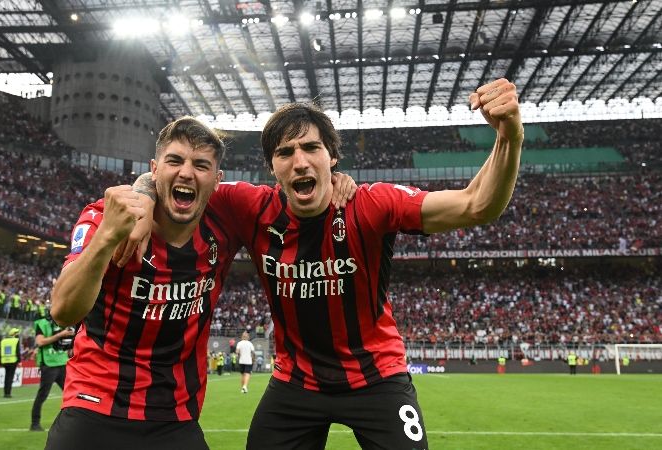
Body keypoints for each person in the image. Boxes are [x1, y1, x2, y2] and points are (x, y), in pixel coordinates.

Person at [129, 79, 523, 449]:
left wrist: (510, 135)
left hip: (377, 377)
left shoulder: (371, 204)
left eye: (310, 148)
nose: (299, 161)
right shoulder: (249, 207)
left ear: (331, 157)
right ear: (272, 168)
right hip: (296, 383)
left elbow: (477, 204)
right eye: (285, 152)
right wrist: (143, 196)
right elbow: (178, 178)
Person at [46, 116, 357, 450]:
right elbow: (63, 311)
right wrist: (108, 236)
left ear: (217, 179)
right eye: (175, 161)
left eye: (201, 165)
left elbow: (296, 200)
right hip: (93, 407)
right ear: (155, 168)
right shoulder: (106, 215)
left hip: (175, 419)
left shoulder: (226, 222)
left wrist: (335, 179)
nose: (186, 172)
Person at [30, 312, 73, 432]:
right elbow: (40, 342)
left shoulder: (65, 322)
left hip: (62, 362)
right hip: (49, 365)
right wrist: (60, 335)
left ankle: (70, 422)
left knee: (72, 393)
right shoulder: (42, 323)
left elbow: (66, 345)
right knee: (42, 395)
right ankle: (34, 423)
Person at [0, 328, 22, 398]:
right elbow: (17, 351)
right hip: (12, 361)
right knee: (10, 377)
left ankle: (5, 392)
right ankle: (8, 393)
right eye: (17, 334)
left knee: (6, 377)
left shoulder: (3, 341)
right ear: (14, 334)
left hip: (4, 361)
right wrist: (19, 361)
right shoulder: (16, 341)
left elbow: (0, 351)